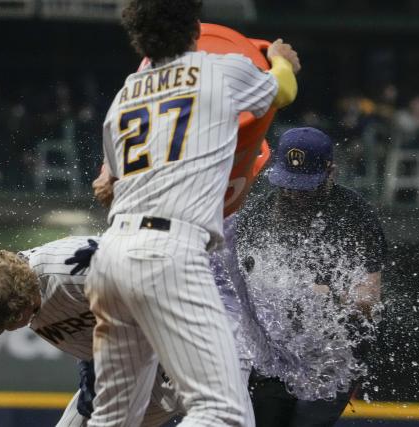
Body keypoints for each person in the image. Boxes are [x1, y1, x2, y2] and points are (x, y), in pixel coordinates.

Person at [87, 0, 301, 425]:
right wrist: (280, 59)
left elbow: (109, 186)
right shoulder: (218, 70)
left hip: (110, 257)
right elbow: (283, 91)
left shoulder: (125, 94)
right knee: (224, 413)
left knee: (113, 417)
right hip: (169, 251)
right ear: (193, 28)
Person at [212, 127, 387, 427]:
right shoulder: (259, 213)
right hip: (274, 352)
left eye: (305, 186)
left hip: (335, 356)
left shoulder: (356, 215)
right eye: (288, 184)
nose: (294, 194)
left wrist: (322, 295)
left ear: (331, 171)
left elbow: (369, 300)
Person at [0, 237, 182, 427]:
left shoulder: (71, 269)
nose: (0, 331)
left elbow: (157, 280)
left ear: (17, 310)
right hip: (128, 365)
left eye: (0, 325)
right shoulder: (23, 293)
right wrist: (93, 362)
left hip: (170, 355)